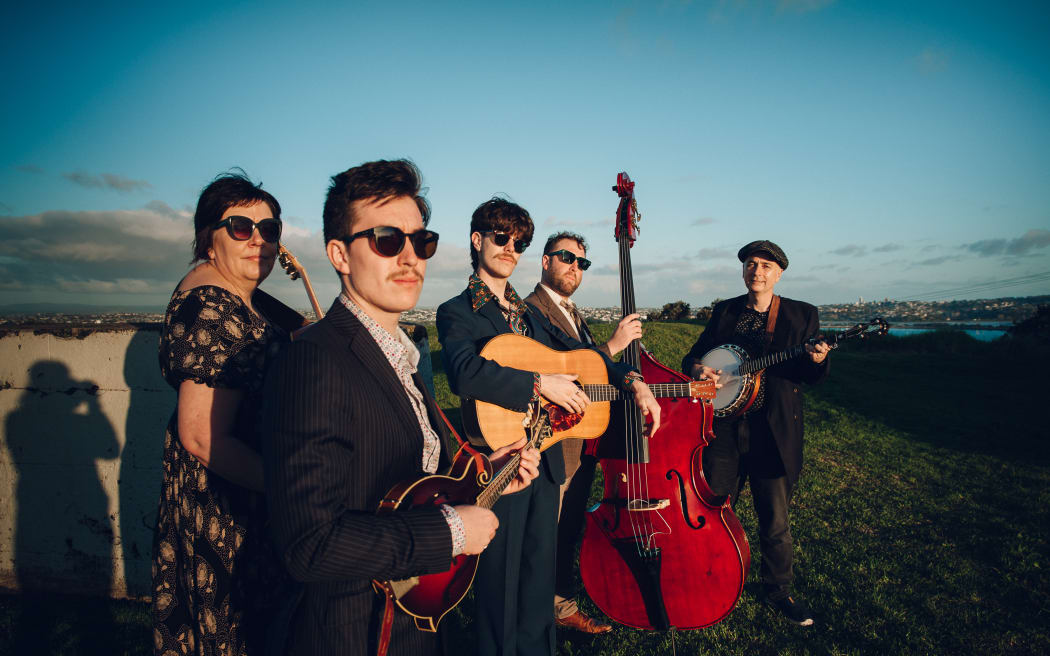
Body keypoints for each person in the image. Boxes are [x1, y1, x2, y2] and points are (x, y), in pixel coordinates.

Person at [260, 160, 540, 656]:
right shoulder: (315, 359)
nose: (410, 256)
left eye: (421, 241)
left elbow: (401, 481)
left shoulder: (400, 354)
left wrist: (486, 477)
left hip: (414, 619)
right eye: (387, 239)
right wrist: (452, 531)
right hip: (355, 631)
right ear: (340, 255)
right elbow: (310, 544)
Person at [437, 199, 661, 656]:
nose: (509, 248)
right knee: (501, 583)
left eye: (517, 242)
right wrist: (539, 383)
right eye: (500, 238)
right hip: (500, 462)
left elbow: (584, 360)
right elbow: (464, 372)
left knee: (539, 577)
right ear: (477, 240)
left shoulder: (529, 315)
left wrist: (634, 381)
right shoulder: (456, 310)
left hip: (548, 459)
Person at [152, 172, 306, 655]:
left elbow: (306, 333)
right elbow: (199, 435)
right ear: (208, 237)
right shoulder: (210, 308)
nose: (257, 239)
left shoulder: (244, 296)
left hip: (246, 494)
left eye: (270, 230)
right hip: (227, 508)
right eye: (240, 227)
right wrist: (291, 489)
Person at [681, 240, 831, 627]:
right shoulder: (726, 311)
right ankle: (711, 577)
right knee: (713, 507)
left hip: (771, 430)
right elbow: (694, 356)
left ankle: (778, 591)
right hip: (725, 428)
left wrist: (818, 359)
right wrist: (699, 370)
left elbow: (809, 375)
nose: (757, 271)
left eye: (766, 265)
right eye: (751, 264)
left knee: (774, 517)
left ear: (778, 273)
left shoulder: (801, 315)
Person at [522, 231, 641, 634]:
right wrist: (613, 345)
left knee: (567, 528)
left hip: (583, 441)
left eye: (582, 262)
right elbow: (562, 373)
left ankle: (559, 604)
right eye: (566, 257)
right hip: (554, 444)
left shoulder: (572, 311)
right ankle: (535, 614)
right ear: (545, 261)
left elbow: (588, 372)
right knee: (543, 535)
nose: (575, 267)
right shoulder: (530, 311)